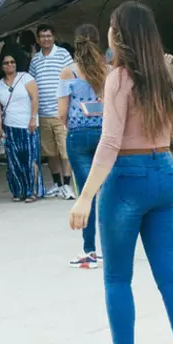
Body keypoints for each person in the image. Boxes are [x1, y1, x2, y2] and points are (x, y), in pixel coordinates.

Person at [69, 2, 173, 344]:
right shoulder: (167, 75)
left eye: (111, 26)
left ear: (120, 34)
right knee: (171, 278)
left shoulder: (118, 78)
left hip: (126, 177)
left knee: (117, 278)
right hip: (164, 172)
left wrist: (84, 198)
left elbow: (110, 142)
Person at [59, 24, 106, 265]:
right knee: (106, 190)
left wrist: (70, 124)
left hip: (78, 135)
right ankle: (110, 246)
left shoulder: (68, 73)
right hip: (105, 134)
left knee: (86, 194)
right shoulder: (107, 71)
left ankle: (89, 250)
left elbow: (62, 112)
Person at [28, 24, 73, 199]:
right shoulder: (35, 60)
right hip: (43, 113)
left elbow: (71, 79)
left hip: (60, 112)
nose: (46, 39)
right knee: (50, 152)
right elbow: (32, 85)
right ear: (38, 40)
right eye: (42, 36)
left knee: (65, 151)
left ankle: (67, 186)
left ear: (54, 37)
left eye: (48, 36)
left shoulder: (63, 54)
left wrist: (68, 107)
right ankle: (57, 183)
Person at [0, 54, 42, 202]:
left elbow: (35, 98)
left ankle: (32, 191)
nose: (10, 65)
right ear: (1, 67)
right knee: (14, 161)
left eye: (12, 62)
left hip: (28, 124)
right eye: (6, 63)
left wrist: (33, 118)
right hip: (10, 126)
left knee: (30, 158)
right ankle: (19, 190)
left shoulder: (25, 77)